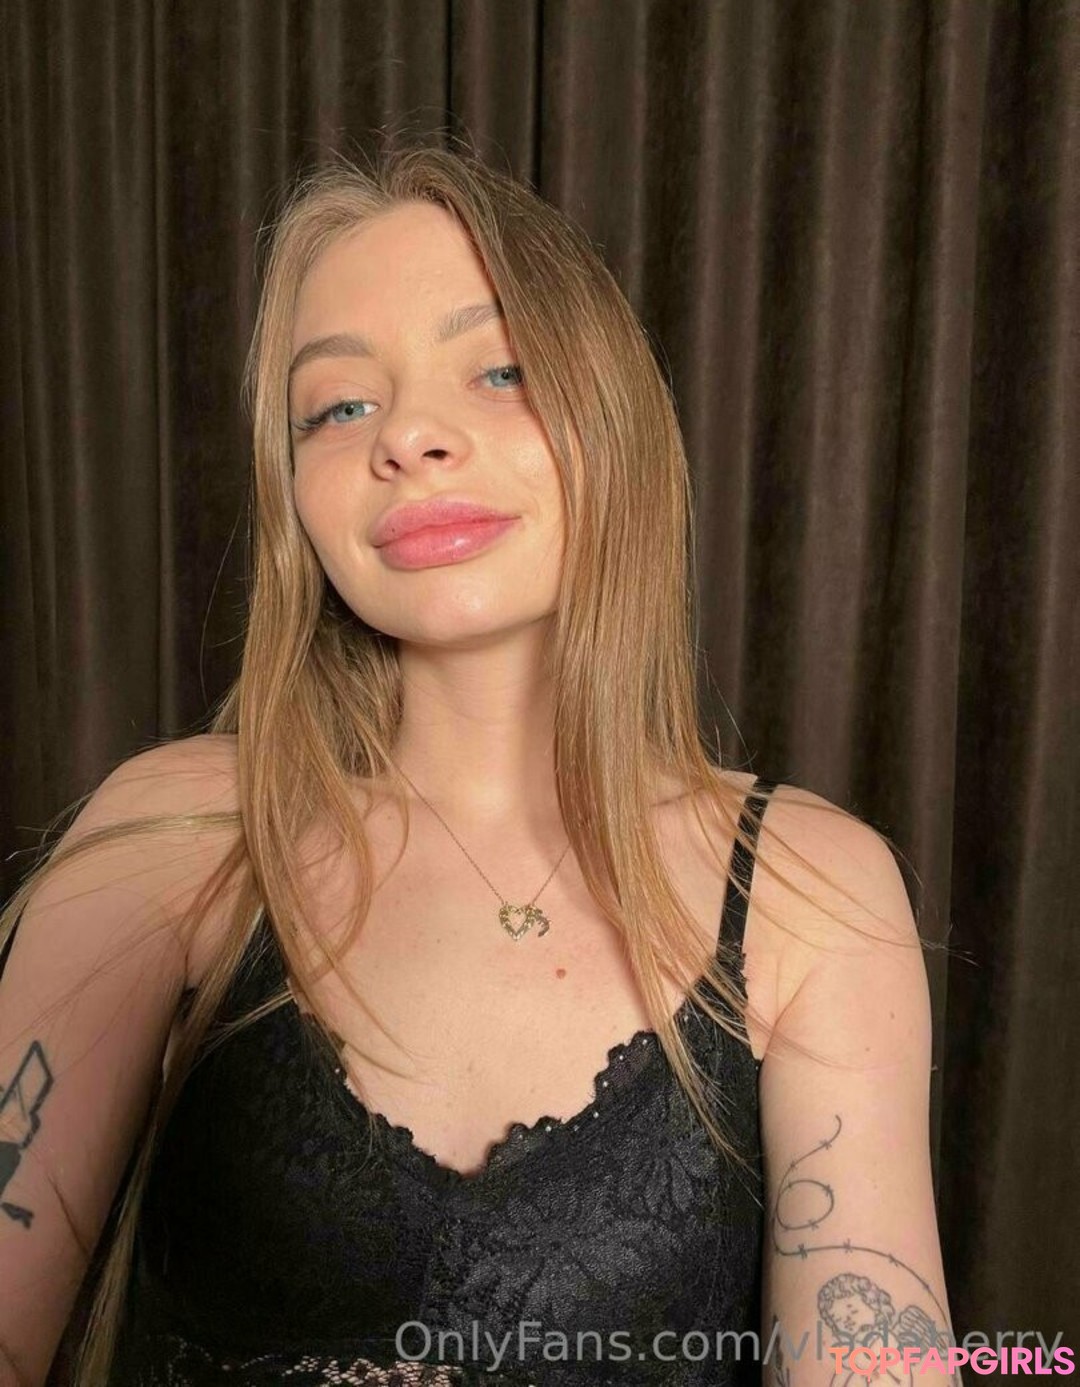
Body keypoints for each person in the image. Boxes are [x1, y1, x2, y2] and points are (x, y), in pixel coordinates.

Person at [0, 144, 959, 1387]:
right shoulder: (177, 838)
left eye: (499, 371)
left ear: (609, 414)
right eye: (339, 406)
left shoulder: (807, 896)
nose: (407, 436)